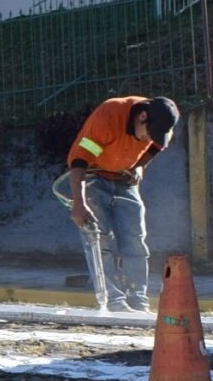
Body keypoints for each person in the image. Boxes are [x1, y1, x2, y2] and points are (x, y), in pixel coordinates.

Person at [62, 95, 180, 313]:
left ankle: (138, 300)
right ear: (142, 116)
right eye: (148, 133)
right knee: (99, 241)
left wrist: (139, 167)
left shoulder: (161, 123)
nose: (148, 139)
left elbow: (155, 147)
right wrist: (79, 203)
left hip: (124, 180)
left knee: (135, 240)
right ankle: (114, 301)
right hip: (93, 177)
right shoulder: (109, 116)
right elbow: (79, 161)